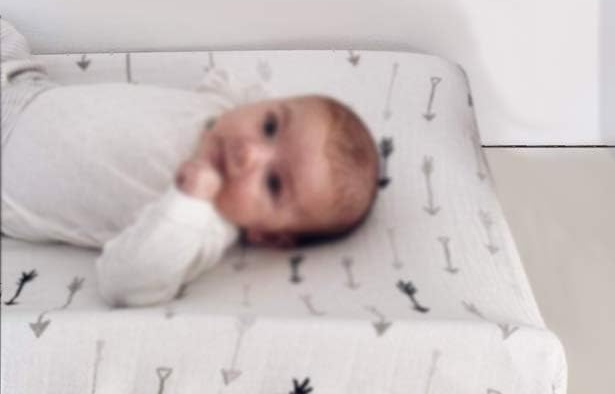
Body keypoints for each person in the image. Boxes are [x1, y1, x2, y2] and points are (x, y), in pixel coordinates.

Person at [0, 18, 379, 307]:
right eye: (269, 125)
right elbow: (230, 83)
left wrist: (186, 201)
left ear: (268, 234)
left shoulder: (201, 226)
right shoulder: (224, 111)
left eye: (273, 183)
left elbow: (125, 282)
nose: (249, 153)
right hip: (21, 86)